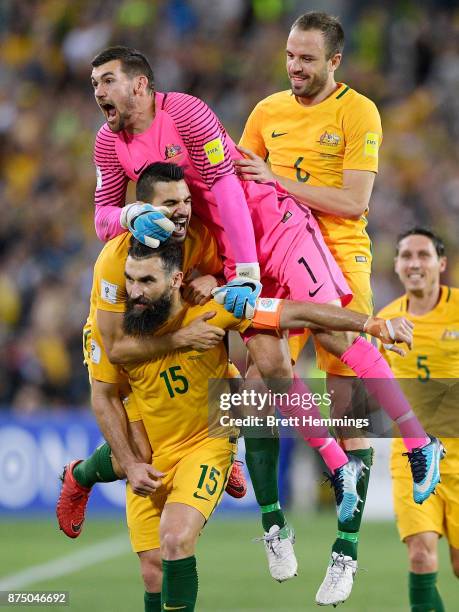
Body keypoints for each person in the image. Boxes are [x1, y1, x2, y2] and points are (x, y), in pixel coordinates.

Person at [87, 45, 443, 587]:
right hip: (223, 253)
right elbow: (103, 216)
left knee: (334, 334)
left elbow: (229, 185)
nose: (98, 91)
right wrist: (131, 214)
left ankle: (420, 441)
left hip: (269, 228)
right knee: (267, 368)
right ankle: (324, 477)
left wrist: (247, 270)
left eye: (107, 80)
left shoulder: (185, 111)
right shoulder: (109, 142)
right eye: (93, 83)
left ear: (139, 85)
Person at [236, 10, 386, 604]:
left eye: (306, 59)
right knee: (254, 383)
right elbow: (239, 184)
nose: (294, 68)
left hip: (340, 258)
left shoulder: (359, 112)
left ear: (334, 62)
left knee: (349, 405)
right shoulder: (266, 113)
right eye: (290, 57)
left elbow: (353, 201)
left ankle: (345, 554)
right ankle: (274, 525)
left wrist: (277, 179)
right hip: (277, 256)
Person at [378, 228, 455, 612]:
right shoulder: (385, 321)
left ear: (441, 264)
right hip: (413, 457)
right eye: (406, 255)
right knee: (421, 555)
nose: (414, 263)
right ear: (396, 265)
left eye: (423, 255)